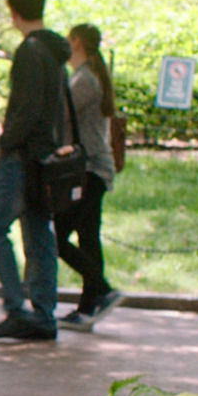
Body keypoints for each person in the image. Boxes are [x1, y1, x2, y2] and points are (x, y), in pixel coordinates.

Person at [0, 0, 72, 342]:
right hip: (44, 156)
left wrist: (6, 141)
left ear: (14, 11)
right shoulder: (54, 51)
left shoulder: (29, 51)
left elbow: (27, 108)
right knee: (37, 233)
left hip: (21, 156)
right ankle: (44, 313)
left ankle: (17, 307)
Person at [56, 24, 125, 331]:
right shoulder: (90, 76)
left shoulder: (84, 80)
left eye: (69, 40)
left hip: (88, 169)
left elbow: (61, 115)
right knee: (88, 238)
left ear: (78, 42)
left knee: (57, 236)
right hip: (96, 168)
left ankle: (101, 289)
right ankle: (88, 307)